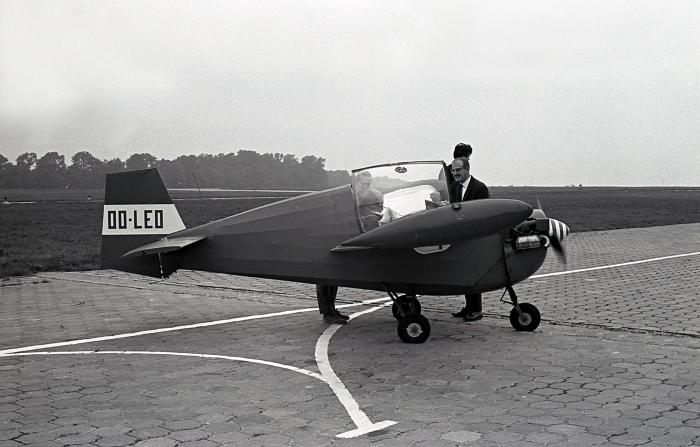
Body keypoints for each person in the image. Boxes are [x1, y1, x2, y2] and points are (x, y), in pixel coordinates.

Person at [449, 155, 490, 322]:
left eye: (458, 170)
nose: (455, 173)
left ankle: (477, 309)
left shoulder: (479, 188)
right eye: (453, 171)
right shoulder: (454, 187)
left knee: (473, 272)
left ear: (467, 169)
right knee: (465, 272)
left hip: (475, 237)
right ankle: (469, 306)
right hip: (461, 237)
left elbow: (484, 213)